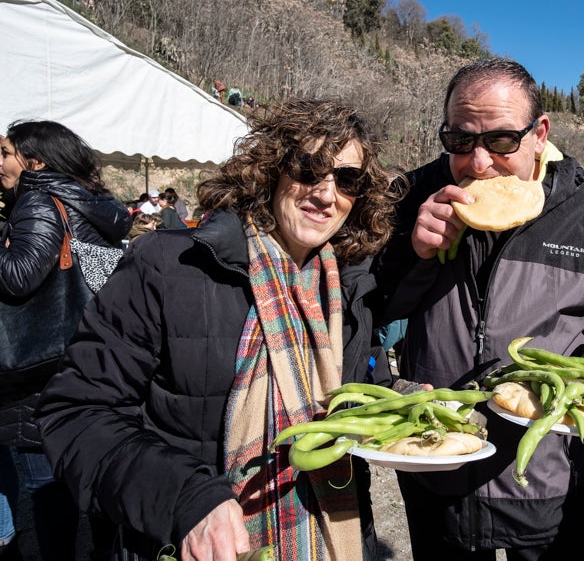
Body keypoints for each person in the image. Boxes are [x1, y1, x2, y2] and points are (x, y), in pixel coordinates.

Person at [35, 99, 400, 561]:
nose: (326, 194)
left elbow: (364, 389)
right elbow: (75, 412)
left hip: (334, 539)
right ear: (270, 170)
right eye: (309, 168)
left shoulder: (348, 283)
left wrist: (405, 403)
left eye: (347, 180)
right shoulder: (169, 264)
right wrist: (183, 497)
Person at [373, 57, 584, 559]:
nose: (479, 162)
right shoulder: (413, 196)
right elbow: (369, 309)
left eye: (501, 141)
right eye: (460, 141)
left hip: (549, 472)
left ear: (539, 133)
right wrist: (412, 255)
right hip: (438, 462)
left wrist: (583, 380)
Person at [0, 120, 132, 560]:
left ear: (35, 162)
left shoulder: (38, 200)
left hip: (43, 365)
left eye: (5, 153)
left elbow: (19, 277)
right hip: (93, 354)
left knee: (46, 480)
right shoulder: (95, 203)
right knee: (93, 467)